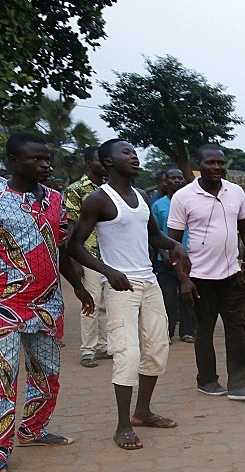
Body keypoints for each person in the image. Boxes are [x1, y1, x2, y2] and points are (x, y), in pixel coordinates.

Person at [69, 139, 191, 450]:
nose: (134, 157)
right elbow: (74, 246)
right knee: (127, 353)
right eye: (126, 153)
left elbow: (153, 234)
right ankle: (123, 425)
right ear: (107, 162)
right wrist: (108, 271)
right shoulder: (99, 200)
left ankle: (143, 412)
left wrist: (174, 245)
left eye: (135, 153)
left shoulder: (141, 195)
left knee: (157, 348)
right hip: (120, 286)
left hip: (149, 282)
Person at [0, 132, 95, 472]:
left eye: (46, 158)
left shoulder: (55, 200)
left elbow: (62, 249)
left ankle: (32, 429)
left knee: (47, 374)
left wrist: (80, 288)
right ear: (13, 161)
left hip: (47, 303)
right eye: (35, 159)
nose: (45, 165)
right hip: (5, 304)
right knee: (3, 378)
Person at [167, 144, 245, 401]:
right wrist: (184, 279)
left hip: (231, 275)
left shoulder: (235, 193)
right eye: (210, 163)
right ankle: (207, 380)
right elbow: (173, 244)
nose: (217, 167)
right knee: (205, 329)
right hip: (199, 278)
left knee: (236, 328)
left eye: (220, 163)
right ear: (199, 166)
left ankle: (240, 384)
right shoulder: (183, 197)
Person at [63, 145, 110, 367]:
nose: (104, 164)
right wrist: (74, 259)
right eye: (99, 160)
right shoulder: (76, 189)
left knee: (107, 304)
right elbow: (70, 225)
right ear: (89, 163)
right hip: (88, 254)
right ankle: (88, 350)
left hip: (111, 254)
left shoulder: (112, 187)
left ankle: (103, 346)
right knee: (90, 301)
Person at [151, 167, 196, 343]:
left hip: (189, 258)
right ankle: (167, 333)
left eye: (180, 178)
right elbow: (155, 233)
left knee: (189, 296)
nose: (177, 181)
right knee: (168, 298)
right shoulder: (158, 205)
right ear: (166, 181)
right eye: (172, 178)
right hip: (166, 261)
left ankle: (188, 331)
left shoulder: (190, 202)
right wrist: (164, 253)